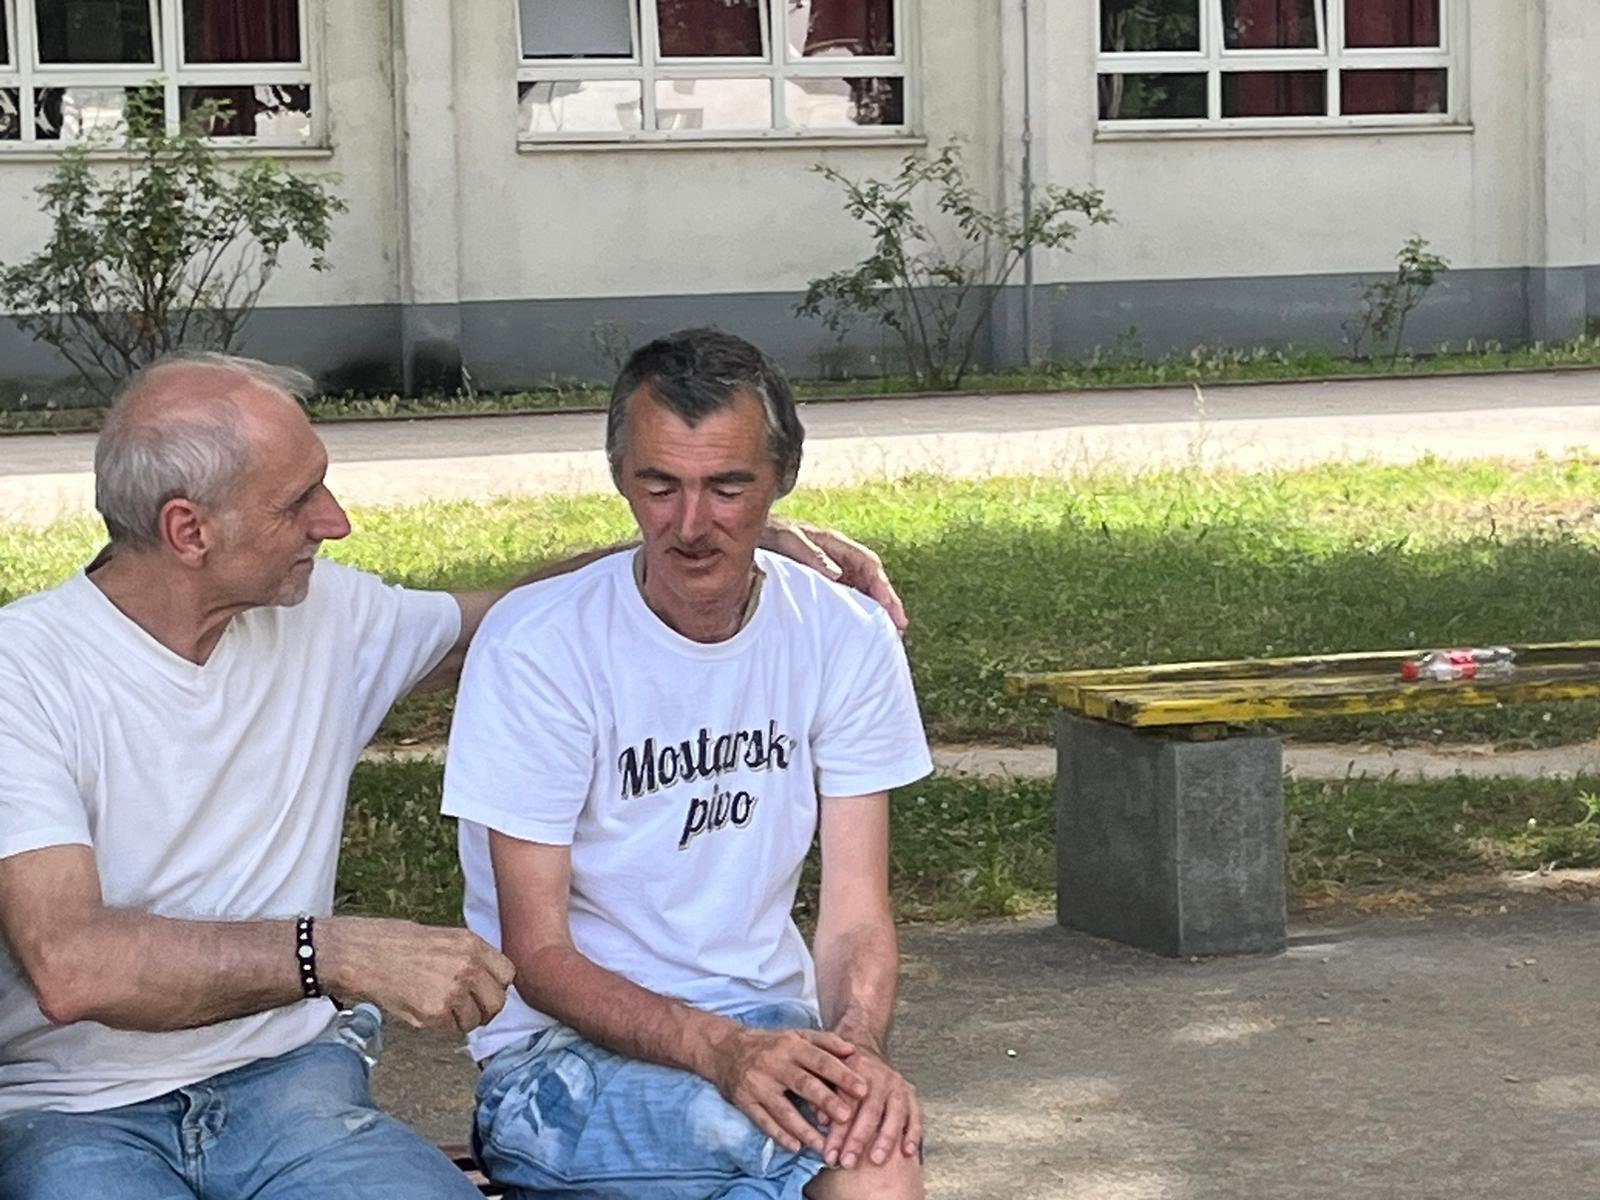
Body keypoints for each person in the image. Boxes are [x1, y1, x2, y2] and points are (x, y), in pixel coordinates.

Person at [0, 351, 904, 1200]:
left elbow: (509, 618)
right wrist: (332, 951)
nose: (334, 521)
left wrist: (732, 536)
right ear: (188, 530)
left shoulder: (321, 615)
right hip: (75, 1111)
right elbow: (73, 964)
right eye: (298, 501)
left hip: (288, 1088)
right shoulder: (25, 673)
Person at [441, 328, 932, 1200]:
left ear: (782, 479)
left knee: (860, 1133)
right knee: (847, 1148)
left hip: (770, 1029)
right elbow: (537, 954)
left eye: (728, 488)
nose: (692, 524)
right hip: (555, 1061)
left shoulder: (845, 635)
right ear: (619, 477)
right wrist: (720, 1049)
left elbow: (856, 917)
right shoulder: (538, 645)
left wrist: (858, 1049)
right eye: (659, 486)